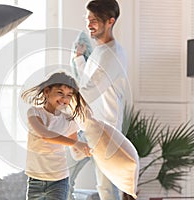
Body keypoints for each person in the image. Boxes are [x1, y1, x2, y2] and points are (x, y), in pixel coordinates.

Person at [69, 0, 129, 200]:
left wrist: (58, 103)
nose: (89, 25)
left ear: (110, 22)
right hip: (89, 128)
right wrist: (79, 58)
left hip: (106, 132)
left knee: (106, 189)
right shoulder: (99, 51)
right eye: (88, 19)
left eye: (94, 20)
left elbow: (89, 91)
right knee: (65, 176)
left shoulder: (113, 54)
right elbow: (86, 81)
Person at [21, 72, 92, 200]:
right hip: (35, 180)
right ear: (47, 91)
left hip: (59, 181)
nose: (64, 99)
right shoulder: (34, 112)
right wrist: (77, 144)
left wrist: (88, 150)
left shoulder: (69, 121)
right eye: (60, 93)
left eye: (69, 95)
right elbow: (44, 134)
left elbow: (76, 153)